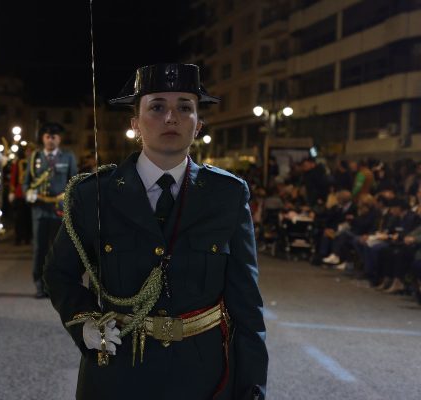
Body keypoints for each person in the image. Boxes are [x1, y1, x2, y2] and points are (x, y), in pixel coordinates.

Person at [44, 63, 267, 399]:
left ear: (198, 124)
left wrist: (251, 388)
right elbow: (59, 273)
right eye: (158, 106)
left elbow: (246, 303)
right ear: (135, 124)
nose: (171, 117)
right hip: (118, 372)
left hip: (203, 375)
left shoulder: (227, 195)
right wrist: (84, 320)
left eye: (185, 107)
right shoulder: (94, 195)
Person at [23, 122, 77, 298]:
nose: (50, 140)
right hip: (39, 210)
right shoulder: (35, 157)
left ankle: (54, 285)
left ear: (59, 139)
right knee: (39, 248)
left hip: (59, 210)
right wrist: (28, 193)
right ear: (43, 138)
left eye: (54, 137)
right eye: (47, 136)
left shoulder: (68, 157)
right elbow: (26, 183)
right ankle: (39, 284)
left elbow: (74, 182)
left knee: (58, 249)